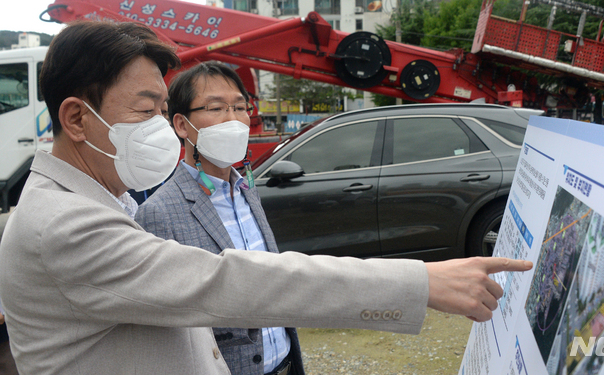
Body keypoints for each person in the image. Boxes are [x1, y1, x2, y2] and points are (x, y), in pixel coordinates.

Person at [0, 21, 532, 375]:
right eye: (146, 112)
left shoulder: (107, 199)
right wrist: (421, 282)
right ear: (75, 118)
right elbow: (229, 280)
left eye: (163, 110)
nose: (161, 128)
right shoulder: (63, 225)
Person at [134, 62, 304, 375]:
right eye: (216, 108)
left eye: (240, 107)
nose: (234, 120)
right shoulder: (158, 212)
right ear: (182, 126)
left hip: (285, 362)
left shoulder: (245, 190)